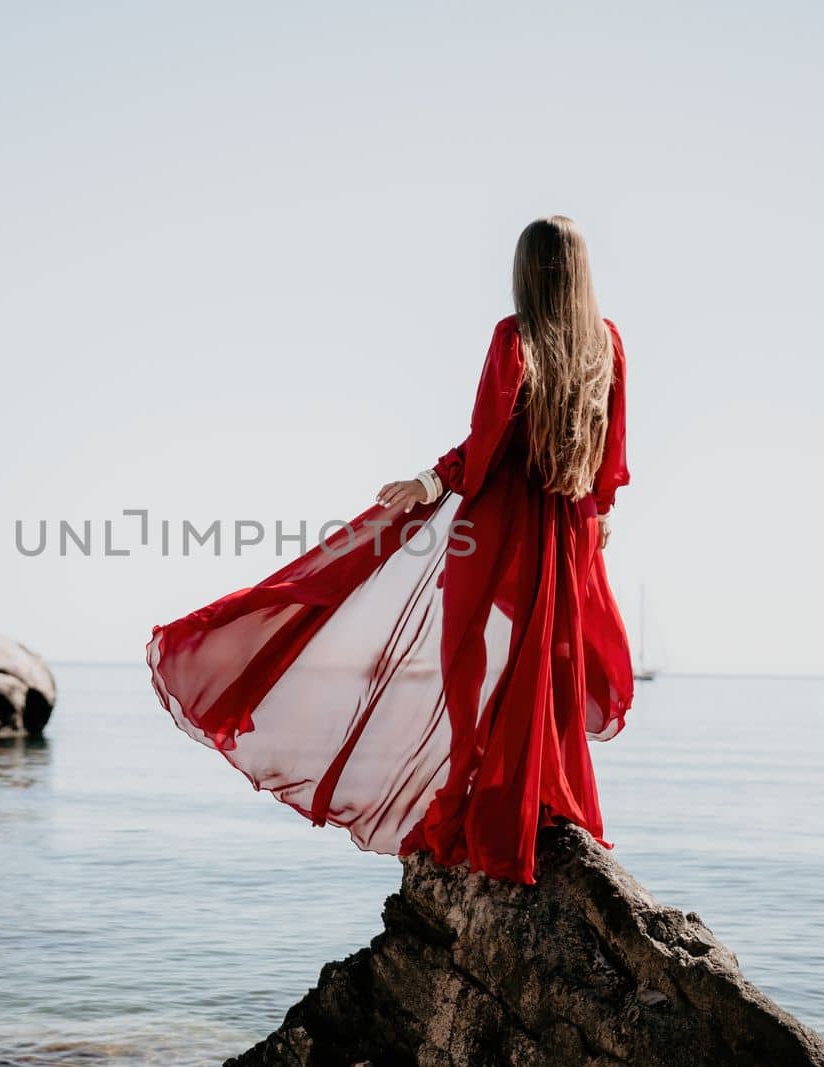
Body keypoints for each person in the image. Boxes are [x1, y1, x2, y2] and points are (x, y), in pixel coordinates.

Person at [147, 215, 633, 883]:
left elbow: (486, 444)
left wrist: (431, 481)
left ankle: (479, 794)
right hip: (566, 527)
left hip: (498, 523)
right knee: (547, 666)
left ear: (527, 272)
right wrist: (599, 516)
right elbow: (612, 458)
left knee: (464, 656)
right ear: (580, 273)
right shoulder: (608, 346)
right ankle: (543, 799)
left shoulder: (514, 339)